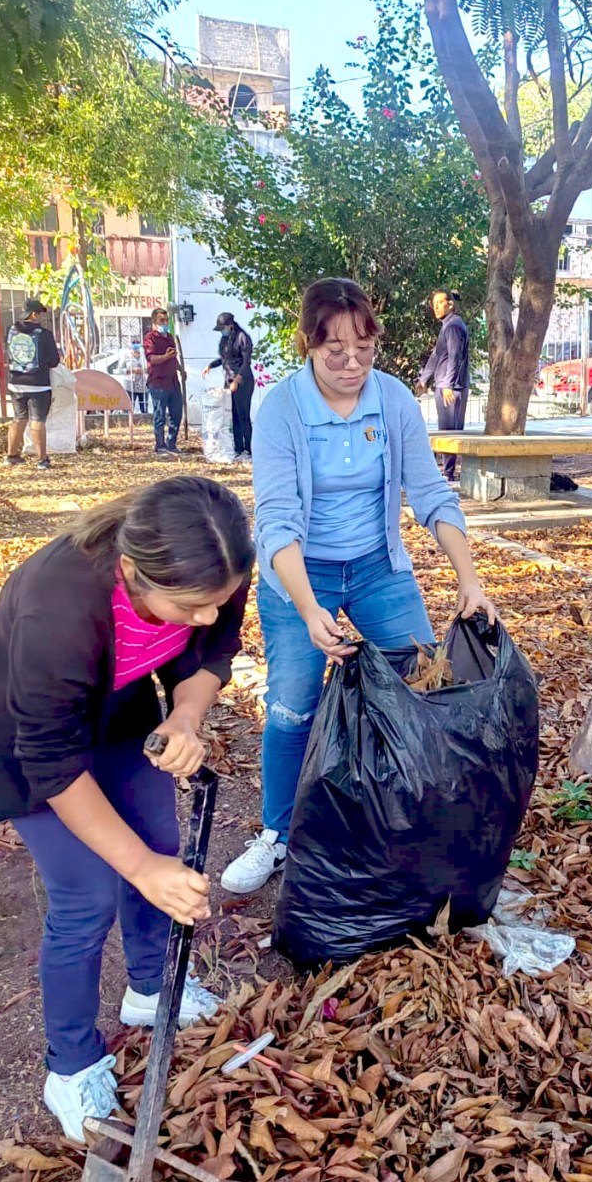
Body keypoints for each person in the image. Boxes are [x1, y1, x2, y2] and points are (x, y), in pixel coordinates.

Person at [0, 477, 253, 1141]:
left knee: (158, 840)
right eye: (190, 605)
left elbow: (216, 646)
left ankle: (151, 990)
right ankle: (69, 1062)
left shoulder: (214, 567)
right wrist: (140, 867)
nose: (208, 614)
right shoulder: (57, 606)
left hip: (120, 712)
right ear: (131, 573)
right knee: (88, 892)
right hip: (30, 745)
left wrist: (185, 715)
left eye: (217, 599)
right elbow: (52, 759)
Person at [220, 277, 497, 895]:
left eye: (365, 350)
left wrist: (468, 579)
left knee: (426, 683)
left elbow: (428, 491)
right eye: (334, 352)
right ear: (307, 346)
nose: (352, 364)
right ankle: (278, 833)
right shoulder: (282, 410)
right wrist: (310, 606)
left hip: (376, 566)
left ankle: (420, 818)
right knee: (293, 708)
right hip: (299, 574)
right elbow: (278, 520)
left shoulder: (393, 400)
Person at [417, 289, 469, 482]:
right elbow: (437, 355)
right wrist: (424, 379)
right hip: (444, 385)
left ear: (450, 304)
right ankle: (446, 472)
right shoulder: (447, 326)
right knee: (445, 429)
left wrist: (449, 384)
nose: (436, 307)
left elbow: (455, 358)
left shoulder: (454, 326)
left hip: (451, 387)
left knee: (449, 431)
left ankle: (448, 473)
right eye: (434, 303)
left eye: (440, 302)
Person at [5, 298, 61, 470]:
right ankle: (42, 460)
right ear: (34, 314)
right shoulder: (44, 334)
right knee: (37, 420)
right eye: (40, 314)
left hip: (16, 383)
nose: (42, 318)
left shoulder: (10, 330)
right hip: (39, 384)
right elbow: (54, 361)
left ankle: (11, 455)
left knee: (19, 418)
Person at [203, 311, 254, 460]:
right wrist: (210, 365)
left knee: (243, 415)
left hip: (242, 381)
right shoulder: (226, 339)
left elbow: (246, 363)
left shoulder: (242, 338)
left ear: (230, 326)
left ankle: (248, 448)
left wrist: (237, 381)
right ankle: (238, 448)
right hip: (229, 381)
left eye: (223, 328)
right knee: (234, 416)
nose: (222, 332)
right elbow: (224, 359)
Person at [143, 309, 183, 456]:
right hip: (158, 382)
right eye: (162, 321)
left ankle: (171, 444)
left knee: (177, 413)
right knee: (160, 414)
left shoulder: (170, 337)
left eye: (167, 320)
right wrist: (165, 357)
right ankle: (160, 446)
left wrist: (181, 370)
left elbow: (173, 357)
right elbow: (152, 359)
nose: (165, 323)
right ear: (154, 322)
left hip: (173, 381)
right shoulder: (149, 338)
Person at [117, 339, 148, 414]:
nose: (136, 344)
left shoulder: (144, 354)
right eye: (133, 342)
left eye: (138, 342)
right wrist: (132, 370)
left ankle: (143, 422)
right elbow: (120, 370)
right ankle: (128, 423)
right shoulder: (126, 355)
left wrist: (144, 370)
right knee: (128, 409)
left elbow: (150, 367)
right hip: (130, 386)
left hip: (143, 386)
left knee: (144, 409)